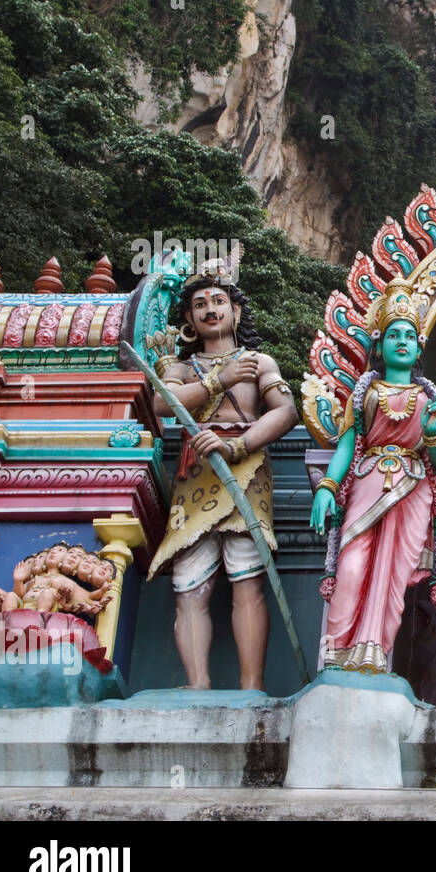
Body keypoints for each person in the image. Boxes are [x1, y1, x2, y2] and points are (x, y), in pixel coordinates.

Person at [146, 257, 298, 690]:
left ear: (235, 311)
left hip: (244, 470)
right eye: (199, 304)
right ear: (190, 320)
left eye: (219, 301)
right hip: (195, 478)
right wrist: (219, 379)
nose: (211, 309)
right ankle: (198, 687)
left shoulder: (258, 360)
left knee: (247, 577)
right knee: (189, 584)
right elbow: (163, 405)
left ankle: (252, 687)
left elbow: (285, 412)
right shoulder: (178, 368)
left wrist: (237, 445)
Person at [309, 278, 436, 673]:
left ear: (420, 346)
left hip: (412, 488)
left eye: (410, 335)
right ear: (380, 343)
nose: (402, 341)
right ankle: (336, 656)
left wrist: (435, 432)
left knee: (393, 579)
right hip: (368, 480)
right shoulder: (365, 392)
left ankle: (373, 654)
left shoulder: (428, 398)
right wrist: (327, 486)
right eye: (394, 335)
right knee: (351, 566)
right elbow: (347, 444)